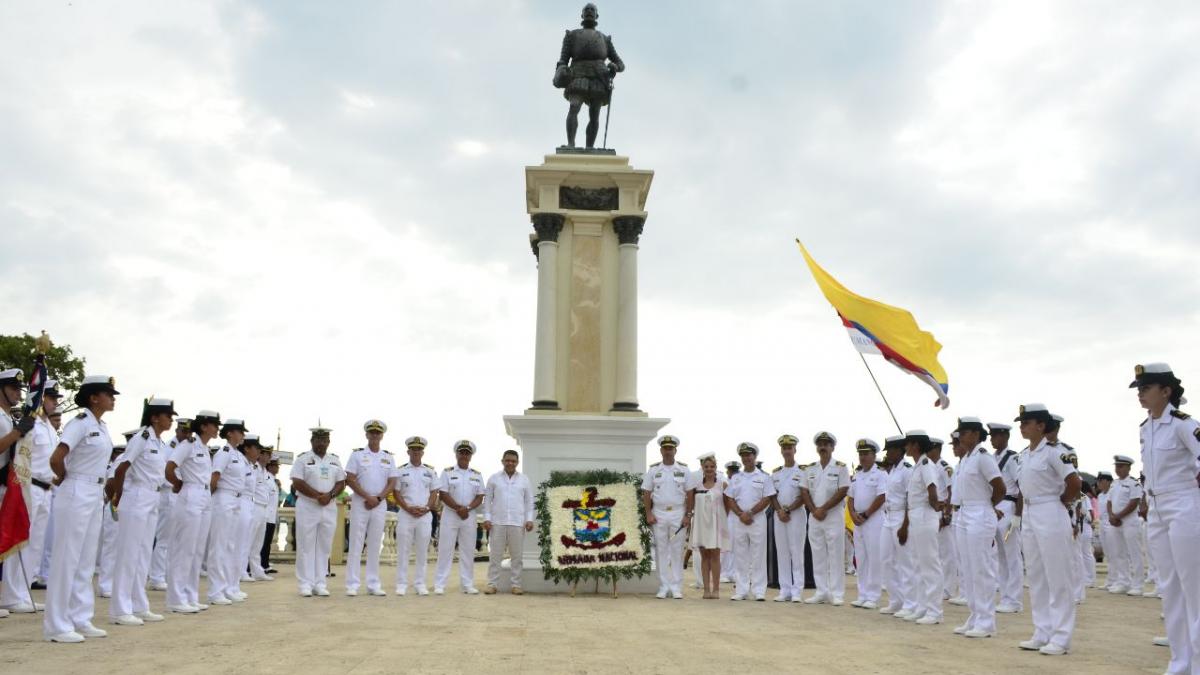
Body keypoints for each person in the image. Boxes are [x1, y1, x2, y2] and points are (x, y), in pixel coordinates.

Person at [1131, 363, 1200, 675]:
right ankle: (1180, 662)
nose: (1141, 395)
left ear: (1166, 391)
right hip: (1158, 507)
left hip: (1185, 503)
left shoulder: (1184, 424)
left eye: (1146, 388)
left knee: (1194, 586)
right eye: (1140, 389)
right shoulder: (1146, 428)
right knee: (1169, 586)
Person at [42, 375, 119, 643]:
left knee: (85, 560)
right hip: (76, 489)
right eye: (108, 394)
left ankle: (80, 617)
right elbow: (57, 457)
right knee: (67, 559)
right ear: (93, 397)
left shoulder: (102, 425)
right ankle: (56, 624)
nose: (113, 398)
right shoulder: (81, 422)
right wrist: (64, 478)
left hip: (94, 492)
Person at [1014, 403, 1080, 656]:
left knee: (1058, 576)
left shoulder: (1055, 452)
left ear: (1041, 426)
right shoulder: (1024, 454)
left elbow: (1074, 482)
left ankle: (1061, 636)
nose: (1022, 426)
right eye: (1021, 422)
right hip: (1030, 513)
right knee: (1037, 576)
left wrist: (1062, 501)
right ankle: (1042, 632)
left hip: (1051, 510)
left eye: (1027, 422)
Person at [108, 397, 176, 626]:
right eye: (168, 416)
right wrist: (118, 497)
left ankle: (139, 604)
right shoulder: (142, 438)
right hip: (136, 495)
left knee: (143, 553)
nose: (171, 420)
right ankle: (120, 608)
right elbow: (121, 468)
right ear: (155, 417)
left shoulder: (159, 443)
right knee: (129, 554)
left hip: (152, 497)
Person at [0, 377, 61, 613]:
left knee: (34, 544)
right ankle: (12, 595)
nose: (54, 403)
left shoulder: (47, 427)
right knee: (20, 542)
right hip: (28, 486)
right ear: (39, 399)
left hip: (45, 488)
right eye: (50, 398)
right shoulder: (30, 423)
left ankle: (23, 593)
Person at [950, 417, 1006, 638]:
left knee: (981, 568)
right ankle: (974, 616)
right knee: (968, 568)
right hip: (964, 513)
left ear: (974, 434)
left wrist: (988, 506)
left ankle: (986, 621)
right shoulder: (966, 459)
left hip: (980, 512)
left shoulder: (983, 457)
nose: (960, 438)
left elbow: (999, 487)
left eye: (963, 433)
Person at [165, 411, 218, 614]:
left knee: (196, 550)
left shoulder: (204, 448)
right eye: (214, 425)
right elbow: (170, 467)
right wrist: (178, 483)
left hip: (204, 496)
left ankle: (190, 595)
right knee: (184, 548)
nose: (217, 428)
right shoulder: (188, 445)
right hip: (191, 492)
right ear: (204, 427)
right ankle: (176, 599)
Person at [291, 425, 346, 597]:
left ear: (328, 441)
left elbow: (341, 483)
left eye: (324, 440)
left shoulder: (334, 460)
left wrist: (329, 495)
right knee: (306, 545)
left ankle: (320, 582)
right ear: (311, 441)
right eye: (317, 439)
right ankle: (305, 584)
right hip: (308, 506)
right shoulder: (303, 459)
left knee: (324, 546)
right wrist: (317, 496)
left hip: (329, 507)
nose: (321, 443)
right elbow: (297, 482)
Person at [344, 420, 396, 597]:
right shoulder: (357, 455)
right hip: (360, 502)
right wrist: (367, 496)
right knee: (356, 543)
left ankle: (373, 584)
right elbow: (350, 478)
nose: (374, 435)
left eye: (377, 433)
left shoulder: (388, 457)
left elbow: (392, 481)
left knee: (375, 543)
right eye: (371, 432)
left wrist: (379, 498)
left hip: (379, 503)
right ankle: (352, 584)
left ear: (382, 435)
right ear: (367, 435)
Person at [898, 429, 945, 625]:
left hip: (925, 515)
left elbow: (931, 489)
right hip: (916, 515)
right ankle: (921, 606)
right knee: (918, 563)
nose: (906, 447)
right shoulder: (918, 466)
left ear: (916, 445)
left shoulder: (926, 464)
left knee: (930, 564)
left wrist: (935, 506)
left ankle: (935, 611)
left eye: (908, 443)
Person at [206, 418, 250, 605]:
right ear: (230, 433)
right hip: (223, 498)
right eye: (240, 432)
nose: (243, 435)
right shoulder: (223, 453)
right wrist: (210, 500)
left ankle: (228, 587)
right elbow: (214, 478)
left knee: (231, 545)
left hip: (236, 499)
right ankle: (215, 591)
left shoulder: (238, 455)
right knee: (219, 546)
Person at [804, 432, 850, 605]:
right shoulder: (810, 469)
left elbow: (843, 490)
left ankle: (837, 593)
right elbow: (804, 491)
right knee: (818, 554)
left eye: (826, 444)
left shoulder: (840, 467)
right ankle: (821, 591)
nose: (823, 447)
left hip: (833, 516)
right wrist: (814, 510)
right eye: (820, 444)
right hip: (815, 516)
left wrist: (823, 508)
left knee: (836, 554)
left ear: (833, 447)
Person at [642, 435, 690, 599]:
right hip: (659, 513)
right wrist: (648, 513)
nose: (668, 451)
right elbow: (647, 492)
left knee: (677, 549)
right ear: (661, 450)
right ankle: (663, 586)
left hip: (678, 512)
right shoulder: (654, 470)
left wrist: (688, 515)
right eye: (665, 448)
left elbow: (690, 492)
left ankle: (676, 587)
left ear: (675, 450)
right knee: (661, 550)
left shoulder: (684, 470)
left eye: (671, 448)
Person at [434, 440, 485, 595]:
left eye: (467, 453)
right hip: (450, 514)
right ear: (456, 454)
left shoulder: (477, 475)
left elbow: (480, 496)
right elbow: (442, 493)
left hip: (469, 515)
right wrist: (457, 508)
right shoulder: (447, 472)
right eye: (461, 452)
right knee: (445, 549)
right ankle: (440, 584)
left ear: (471, 456)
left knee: (468, 550)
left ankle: (467, 584)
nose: (464, 455)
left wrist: (467, 508)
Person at [726, 442, 775, 601]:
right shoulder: (736, 478)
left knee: (758, 555)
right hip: (739, 520)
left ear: (755, 457)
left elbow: (767, 498)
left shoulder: (763, 477)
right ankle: (742, 589)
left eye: (749, 455)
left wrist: (751, 513)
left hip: (757, 519)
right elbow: (730, 498)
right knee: (740, 555)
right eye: (743, 455)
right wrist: (741, 514)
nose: (746, 458)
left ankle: (759, 590)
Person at [482, 450, 534, 594]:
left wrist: (529, 519)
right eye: (507, 460)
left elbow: (529, 502)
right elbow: (487, 501)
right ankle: (492, 584)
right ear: (502, 461)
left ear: (517, 462)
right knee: (495, 555)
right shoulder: (494, 479)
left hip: (517, 523)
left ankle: (516, 585)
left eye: (513, 461)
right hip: (497, 522)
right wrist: (487, 518)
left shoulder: (524, 480)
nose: (510, 463)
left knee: (516, 556)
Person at [391, 435, 437, 596]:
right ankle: (401, 584)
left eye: (419, 450)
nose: (416, 452)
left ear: (422, 452)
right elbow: (396, 493)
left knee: (422, 551)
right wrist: (408, 508)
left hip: (424, 515)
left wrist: (426, 508)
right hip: (406, 514)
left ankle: (420, 583)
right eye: (413, 450)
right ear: (408, 451)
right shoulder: (401, 471)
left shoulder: (430, 471)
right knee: (403, 550)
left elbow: (434, 493)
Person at [149, 418, 191, 590]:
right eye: (184, 431)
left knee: (176, 538)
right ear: (177, 431)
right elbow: (164, 472)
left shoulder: (186, 448)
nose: (187, 435)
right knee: (164, 538)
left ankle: (166, 574)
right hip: (168, 493)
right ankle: (156, 577)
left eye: (189, 432)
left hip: (179, 495)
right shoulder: (169, 449)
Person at [988, 422, 1023, 613]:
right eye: (991, 436)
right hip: (995, 507)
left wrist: (1017, 515)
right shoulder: (992, 458)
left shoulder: (1012, 459)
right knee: (1000, 556)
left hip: (1009, 507)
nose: (992, 439)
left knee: (1012, 556)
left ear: (1005, 437)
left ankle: (1015, 599)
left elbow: (1021, 487)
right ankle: (1005, 596)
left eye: (995, 436)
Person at [684, 452, 729, 599]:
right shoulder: (696, 486)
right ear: (702, 468)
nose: (709, 469)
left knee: (715, 556)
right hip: (701, 525)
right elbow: (689, 503)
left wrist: (721, 520)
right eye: (706, 466)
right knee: (704, 557)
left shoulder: (722, 484)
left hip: (716, 525)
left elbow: (727, 505)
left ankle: (716, 589)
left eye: (712, 466)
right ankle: (706, 590)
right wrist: (689, 517)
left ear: (716, 467)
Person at [879, 436, 915, 617]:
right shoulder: (892, 471)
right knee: (886, 559)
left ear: (901, 450)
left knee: (905, 562)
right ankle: (896, 600)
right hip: (888, 517)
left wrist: (906, 525)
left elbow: (911, 499)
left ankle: (911, 603)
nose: (888, 454)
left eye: (891, 450)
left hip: (902, 516)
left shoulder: (907, 471)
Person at [848, 439, 887, 610]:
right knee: (861, 558)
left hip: (874, 519)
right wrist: (853, 515)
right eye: (860, 454)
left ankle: (873, 595)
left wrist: (866, 514)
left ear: (874, 455)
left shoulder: (880, 474)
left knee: (874, 558)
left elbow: (882, 496)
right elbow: (850, 498)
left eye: (866, 454)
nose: (862, 457)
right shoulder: (857, 476)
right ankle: (862, 594)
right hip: (858, 521)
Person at [770, 434, 808, 603]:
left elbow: (803, 496)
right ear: (781, 450)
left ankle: (797, 590)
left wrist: (788, 510)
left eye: (789, 448)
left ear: (795, 450)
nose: (787, 450)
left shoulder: (802, 472)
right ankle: (784, 589)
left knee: (796, 552)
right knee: (782, 552)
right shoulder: (776, 474)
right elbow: (772, 495)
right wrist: (779, 511)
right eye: (784, 448)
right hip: (780, 516)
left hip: (796, 515)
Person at [96, 435, 131, 598]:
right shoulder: (124, 458)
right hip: (117, 506)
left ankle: (118, 584)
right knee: (111, 546)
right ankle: (105, 585)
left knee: (124, 547)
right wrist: (114, 503)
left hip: (129, 507)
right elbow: (110, 483)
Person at [1106, 454, 1144, 596]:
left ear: (1128, 468)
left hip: (1129, 521)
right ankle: (1123, 582)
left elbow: (1134, 503)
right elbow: (1109, 502)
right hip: (1116, 522)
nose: (1118, 469)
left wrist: (1118, 516)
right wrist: (1111, 516)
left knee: (1134, 553)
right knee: (1119, 553)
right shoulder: (1114, 484)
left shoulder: (1134, 483)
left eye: (1121, 466)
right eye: (1116, 466)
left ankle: (1138, 585)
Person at [234, 435, 262, 589]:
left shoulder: (251, 465)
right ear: (246, 448)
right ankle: (238, 572)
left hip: (249, 502)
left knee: (246, 541)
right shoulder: (242, 463)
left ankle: (242, 571)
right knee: (239, 541)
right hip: (241, 501)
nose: (258, 452)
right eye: (256, 448)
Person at [246, 443, 275, 582]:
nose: (269, 457)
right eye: (266, 454)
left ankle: (257, 570)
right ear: (261, 455)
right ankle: (242, 571)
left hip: (264, 508)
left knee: (258, 543)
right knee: (248, 541)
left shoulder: (265, 472)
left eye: (269, 455)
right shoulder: (254, 468)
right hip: (254, 506)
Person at [721, 460, 740, 583]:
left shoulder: (740, 482)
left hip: (738, 516)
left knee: (737, 546)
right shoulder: (724, 483)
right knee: (726, 546)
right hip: (728, 516)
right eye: (731, 471)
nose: (733, 473)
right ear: (727, 471)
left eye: (735, 471)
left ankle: (733, 572)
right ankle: (723, 572)